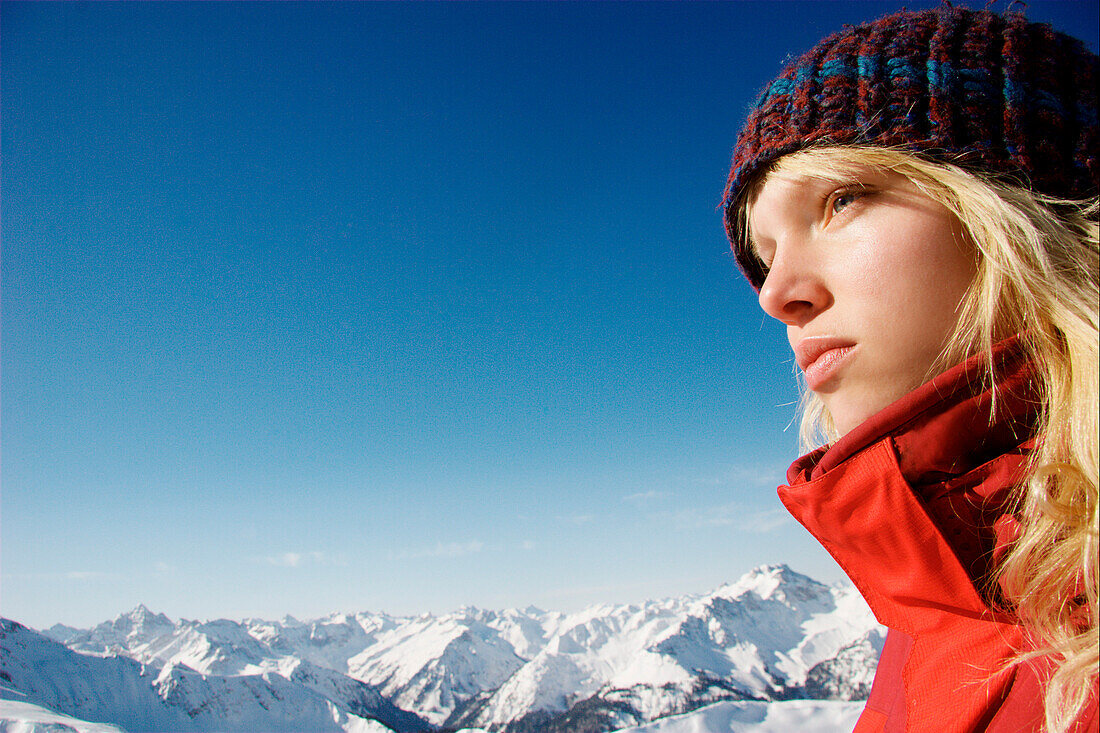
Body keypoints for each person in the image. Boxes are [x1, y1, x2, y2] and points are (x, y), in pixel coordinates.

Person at [721, 6, 1097, 733]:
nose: (774, 295)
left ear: (1020, 208)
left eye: (840, 199)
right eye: (765, 257)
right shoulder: (943, 588)